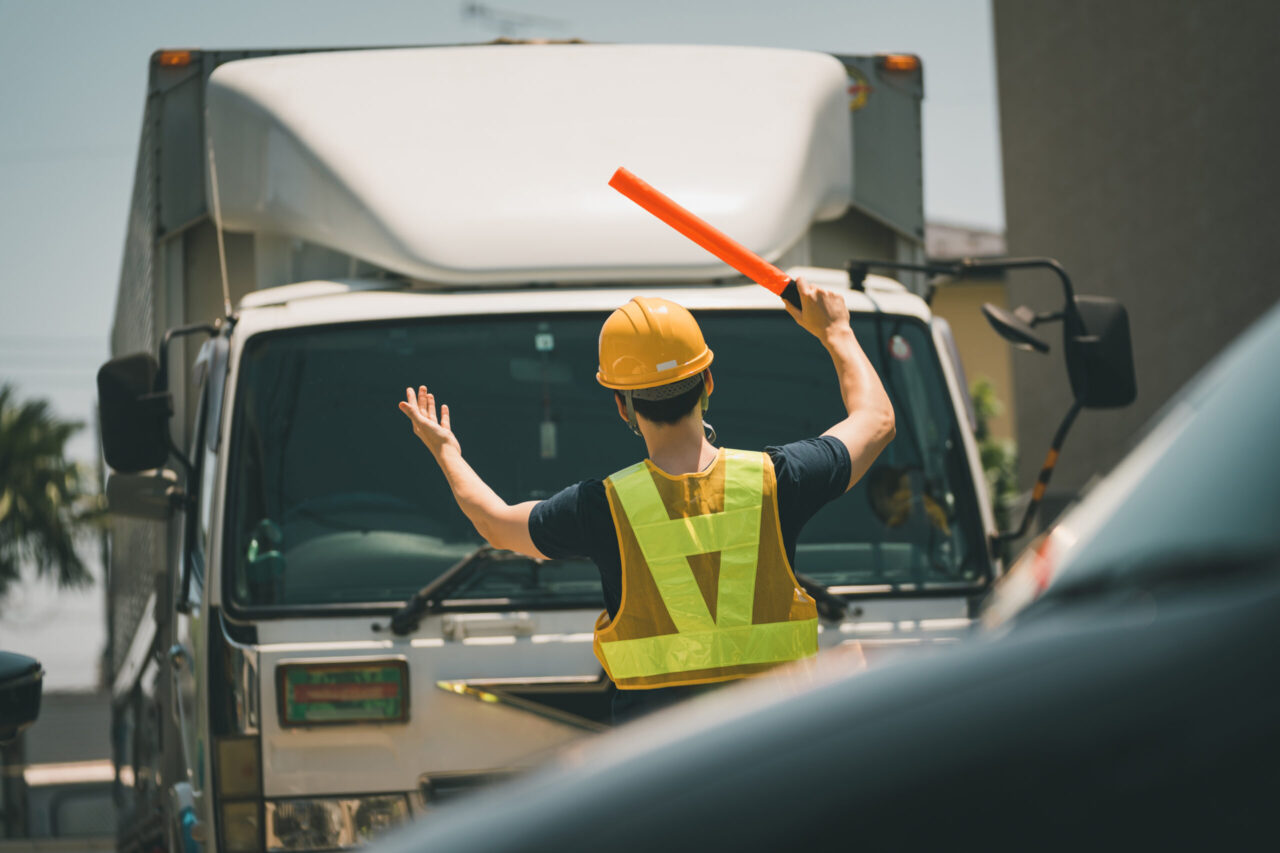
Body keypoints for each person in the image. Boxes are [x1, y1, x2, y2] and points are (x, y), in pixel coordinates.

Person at [398, 279, 895, 723]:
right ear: (709, 382)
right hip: (775, 768)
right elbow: (875, 421)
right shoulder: (778, 479)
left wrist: (447, 451)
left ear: (622, 406)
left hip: (663, 785)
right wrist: (836, 332)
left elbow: (495, 524)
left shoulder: (603, 507)